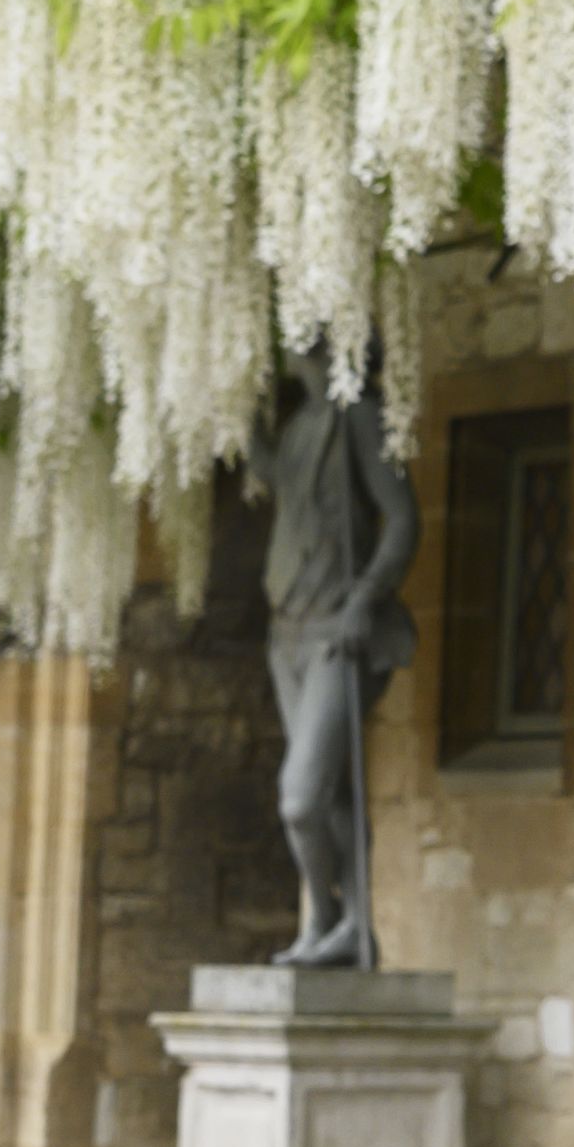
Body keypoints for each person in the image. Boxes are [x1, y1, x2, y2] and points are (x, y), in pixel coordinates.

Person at [252, 346, 419, 968]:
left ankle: (325, 915)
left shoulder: (361, 416)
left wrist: (366, 599)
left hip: (337, 634)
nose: (283, 340)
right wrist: (236, 413)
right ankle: (351, 926)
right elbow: (281, 480)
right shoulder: (302, 424)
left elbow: (403, 519)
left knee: (300, 796)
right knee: (334, 795)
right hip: (288, 635)